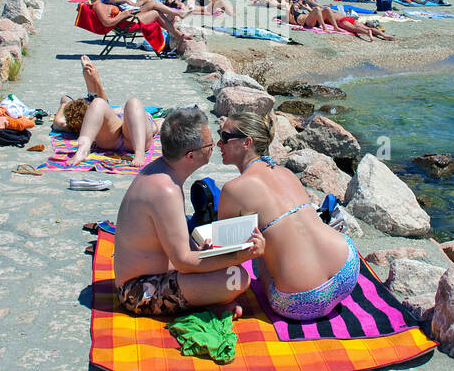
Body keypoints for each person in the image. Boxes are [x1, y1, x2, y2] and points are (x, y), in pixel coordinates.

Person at [113, 106, 263, 318]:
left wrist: (208, 254)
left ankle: (204, 298)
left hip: (155, 273)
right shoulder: (165, 190)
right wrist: (239, 255)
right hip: (138, 291)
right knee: (237, 278)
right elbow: (183, 261)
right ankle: (205, 304)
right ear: (191, 156)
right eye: (210, 144)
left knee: (224, 265)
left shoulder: (161, 172)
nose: (215, 146)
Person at [216, 112, 357, 321]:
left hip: (300, 299)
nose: (219, 143)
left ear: (247, 142)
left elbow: (224, 254)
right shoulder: (286, 173)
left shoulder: (233, 190)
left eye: (225, 137)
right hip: (347, 269)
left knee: (258, 250)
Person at [52, 55, 163, 167]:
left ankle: (83, 150)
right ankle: (139, 153)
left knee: (99, 103)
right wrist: (95, 80)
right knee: (131, 103)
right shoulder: (112, 113)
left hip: (111, 140)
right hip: (132, 140)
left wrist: (64, 103)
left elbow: (60, 119)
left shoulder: (76, 123)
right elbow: (103, 102)